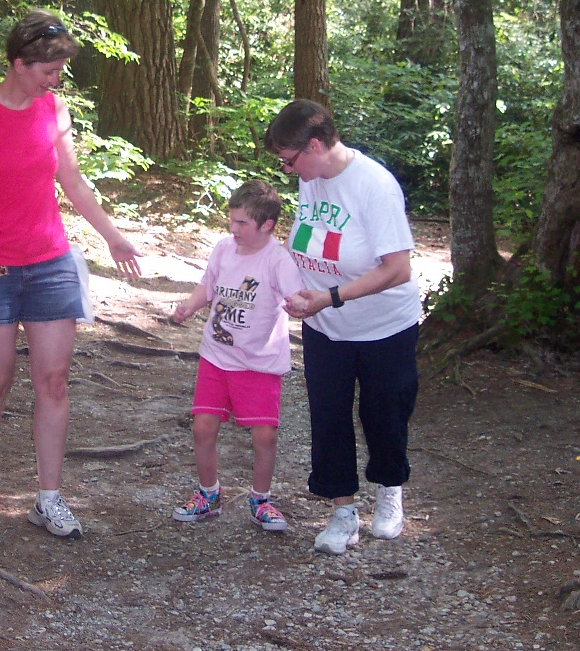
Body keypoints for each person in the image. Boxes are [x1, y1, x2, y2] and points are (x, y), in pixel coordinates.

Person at [0, 10, 141, 539]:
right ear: (19, 64)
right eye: (48, 70)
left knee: (53, 380)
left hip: (49, 262)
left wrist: (111, 235)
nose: (55, 80)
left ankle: (49, 498)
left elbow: (71, 180)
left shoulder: (55, 110)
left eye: (59, 71)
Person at [266, 99, 421, 555]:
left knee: (383, 413)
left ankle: (390, 491)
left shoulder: (374, 187)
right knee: (328, 416)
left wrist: (331, 297)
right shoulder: (312, 181)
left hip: (383, 328)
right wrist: (296, 292)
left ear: (314, 145)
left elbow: (398, 268)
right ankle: (342, 509)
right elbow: (309, 246)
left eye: (289, 160)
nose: (289, 170)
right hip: (325, 326)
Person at [169, 180, 305, 532]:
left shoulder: (277, 260)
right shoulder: (223, 249)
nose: (234, 229)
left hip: (258, 363)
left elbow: (298, 298)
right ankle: (208, 494)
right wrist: (190, 305)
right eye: (232, 221)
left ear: (267, 225)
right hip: (216, 355)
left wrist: (303, 305)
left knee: (264, 436)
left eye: (242, 223)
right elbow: (208, 286)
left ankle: (260, 500)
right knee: (202, 426)